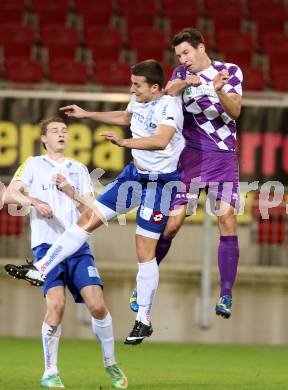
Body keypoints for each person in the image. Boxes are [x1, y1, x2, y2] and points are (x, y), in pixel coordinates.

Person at [5, 60, 184, 345]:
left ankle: (143, 320)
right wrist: (87, 114)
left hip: (161, 184)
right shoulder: (138, 100)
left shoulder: (170, 106)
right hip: (134, 175)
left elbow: (161, 141)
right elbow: (127, 117)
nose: (131, 89)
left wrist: (125, 144)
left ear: (154, 87)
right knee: (87, 219)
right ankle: (41, 269)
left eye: (136, 85)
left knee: (144, 250)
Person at [4, 118, 128, 389]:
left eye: (65, 131)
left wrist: (70, 191)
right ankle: (50, 371)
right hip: (46, 245)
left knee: (96, 304)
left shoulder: (79, 169)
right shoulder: (33, 164)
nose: (61, 134)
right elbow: (11, 194)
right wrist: (33, 201)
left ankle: (110, 361)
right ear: (44, 139)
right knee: (57, 305)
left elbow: (91, 209)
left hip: (77, 245)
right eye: (55, 131)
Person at [130, 28, 242, 319]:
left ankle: (226, 295)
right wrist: (183, 82)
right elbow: (167, 93)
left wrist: (217, 89)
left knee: (227, 218)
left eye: (186, 52)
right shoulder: (180, 73)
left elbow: (235, 111)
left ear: (201, 47)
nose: (183, 58)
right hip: (190, 157)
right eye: (179, 55)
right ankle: (143, 284)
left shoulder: (229, 71)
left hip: (223, 157)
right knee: (172, 224)